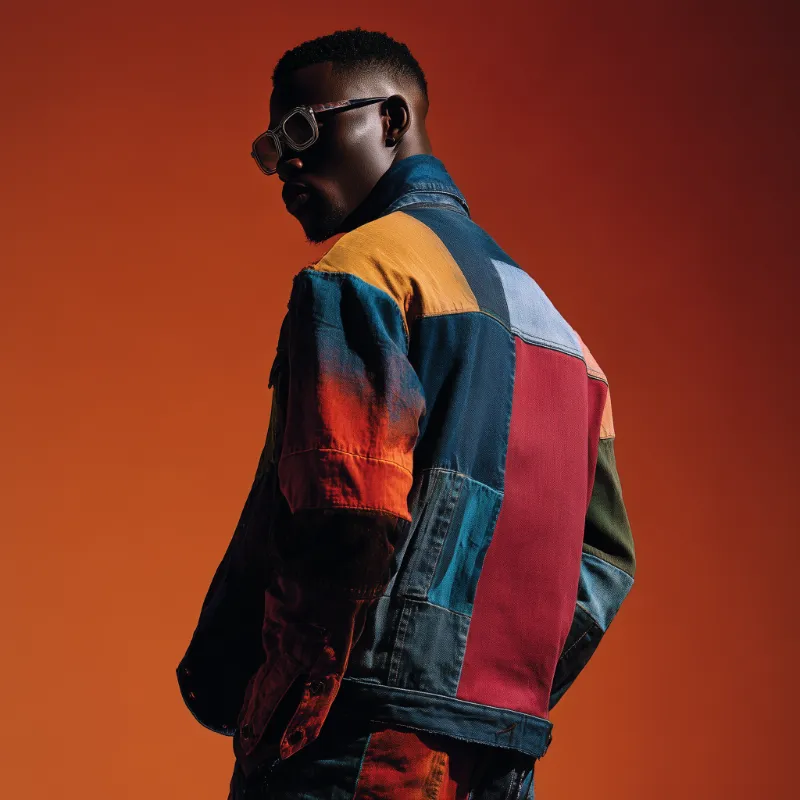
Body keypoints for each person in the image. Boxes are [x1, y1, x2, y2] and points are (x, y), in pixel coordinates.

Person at [177, 28, 637, 800]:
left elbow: (346, 514)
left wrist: (280, 712)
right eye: (271, 146)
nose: (286, 162)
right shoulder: (564, 337)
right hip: (499, 758)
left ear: (390, 119)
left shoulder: (362, 273)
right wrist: (497, 699)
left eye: (302, 129)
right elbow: (606, 562)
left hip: (357, 743)